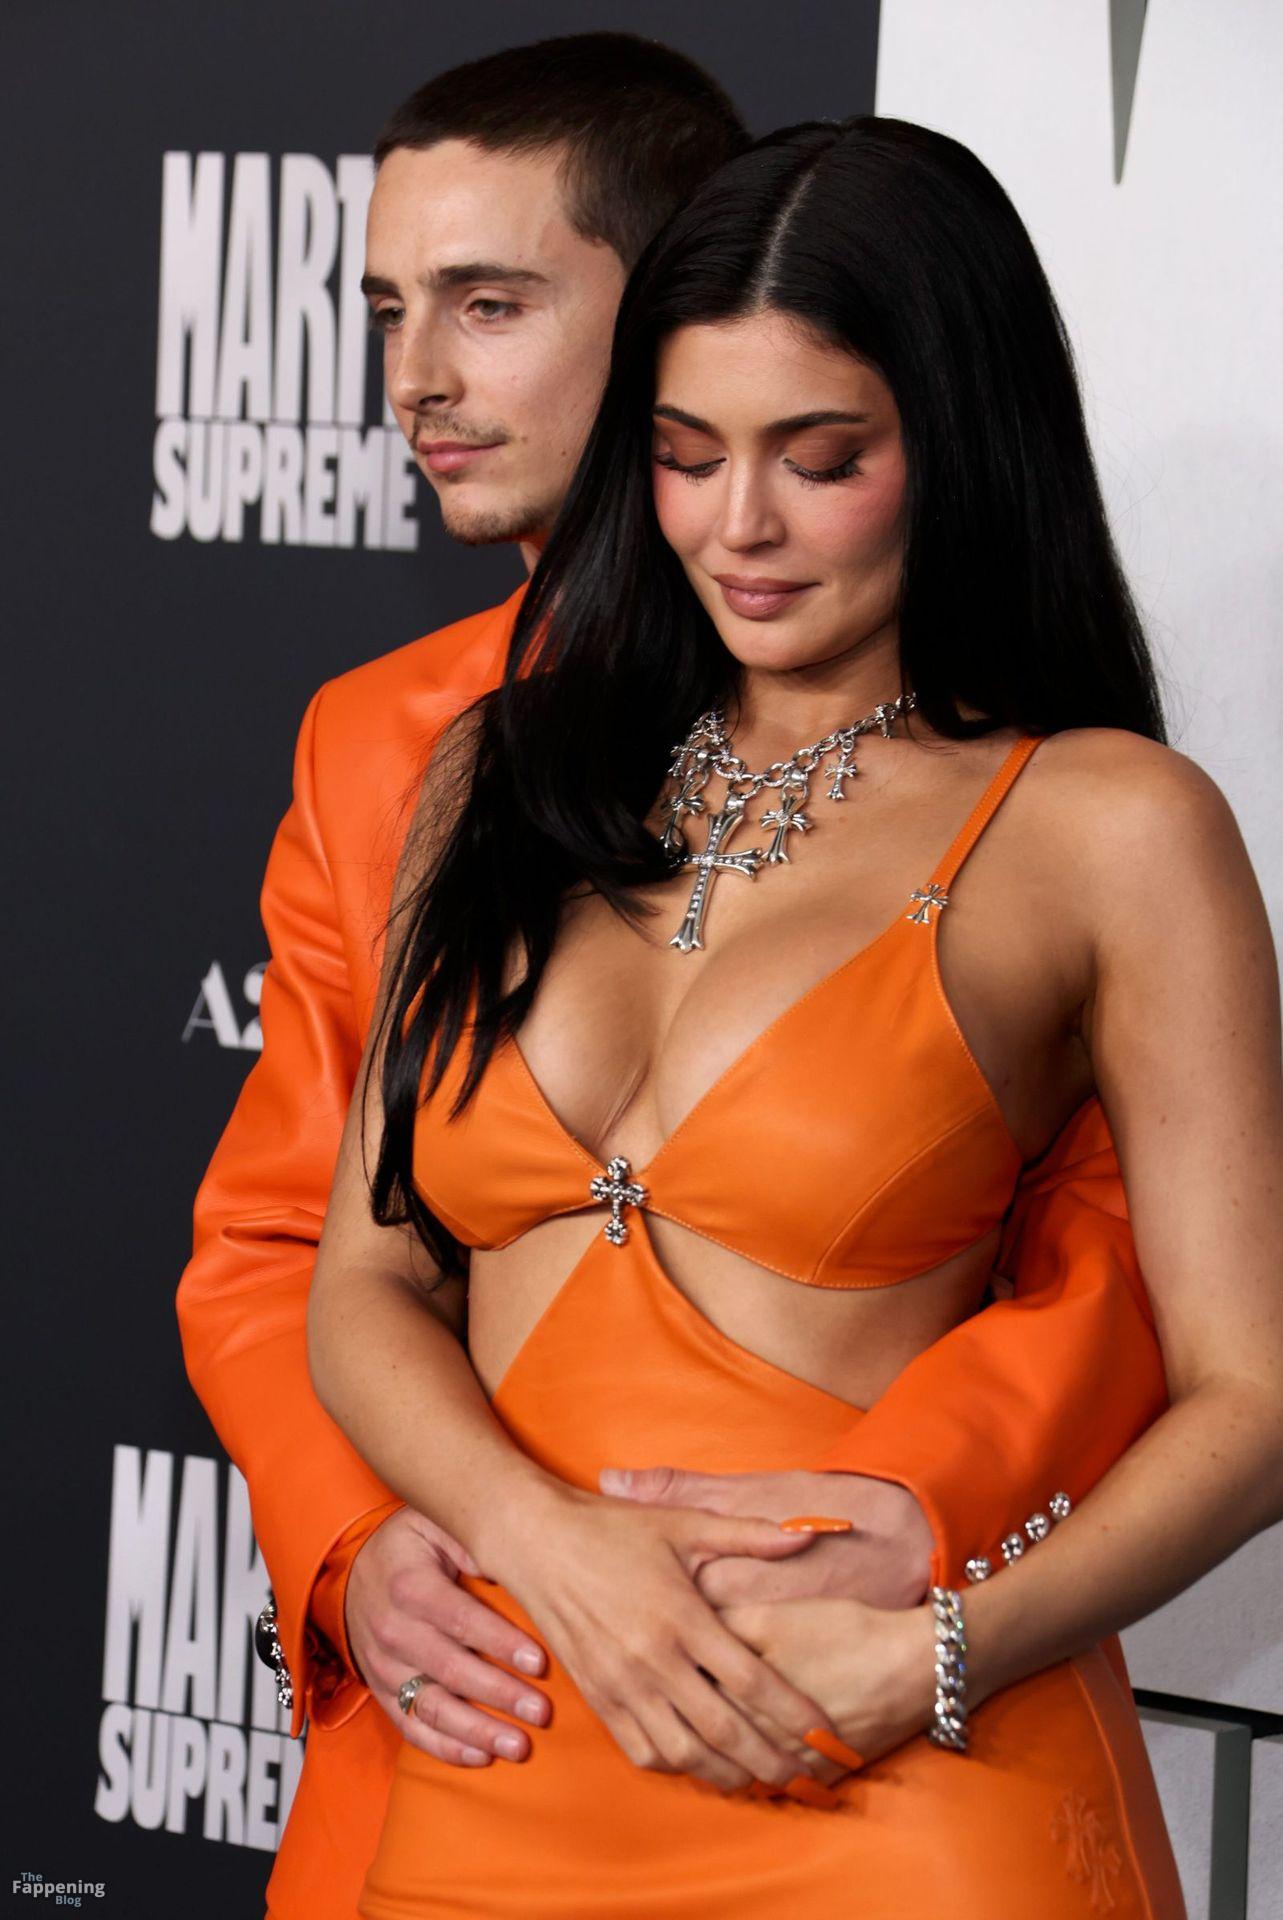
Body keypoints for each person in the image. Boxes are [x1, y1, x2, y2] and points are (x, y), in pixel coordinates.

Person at [178, 42, 1169, 1920]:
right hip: (482, 1713)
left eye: (488, 303)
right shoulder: (413, 749)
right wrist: (373, 1544)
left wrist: (911, 1542)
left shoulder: (1082, 826)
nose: (417, 376)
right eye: (387, 308)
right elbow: (291, 1248)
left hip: (857, 1704)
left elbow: (1126, 1269)